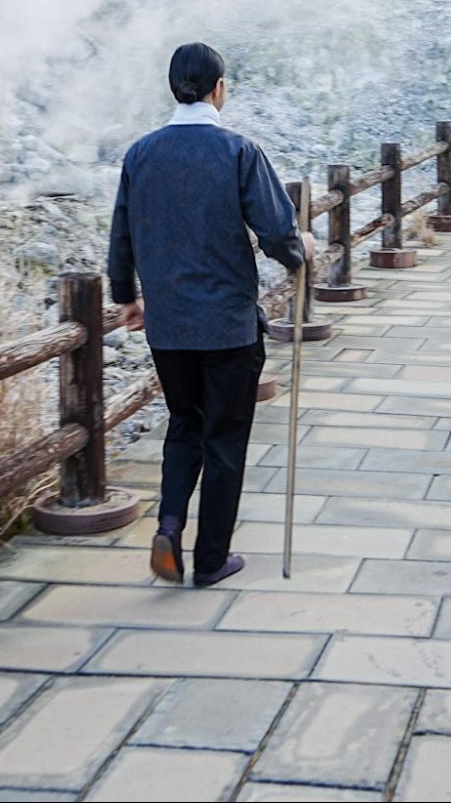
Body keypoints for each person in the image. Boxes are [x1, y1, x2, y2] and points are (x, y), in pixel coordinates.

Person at [107, 42, 313, 587]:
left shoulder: (141, 155)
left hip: (169, 327)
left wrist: (125, 295)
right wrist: (299, 252)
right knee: (224, 438)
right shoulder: (239, 151)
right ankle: (211, 559)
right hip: (227, 326)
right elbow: (275, 229)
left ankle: (169, 526)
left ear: (174, 88)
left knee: (184, 427)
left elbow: (122, 232)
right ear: (219, 88)